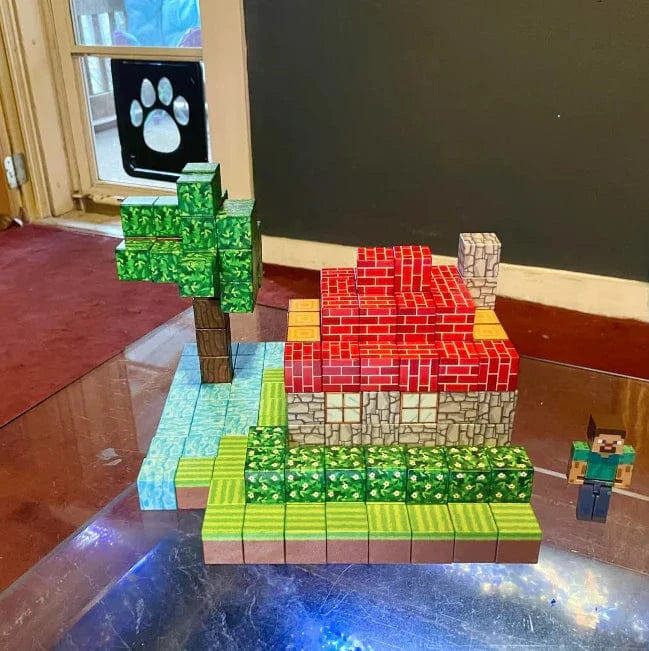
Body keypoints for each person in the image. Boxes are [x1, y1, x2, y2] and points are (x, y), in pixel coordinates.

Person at [567, 412, 635, 522]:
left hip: (606, 483)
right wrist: (576, 476)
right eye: (602, 441)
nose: (608, 445)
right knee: (586, 499)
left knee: (603, 501)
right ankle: (584, 514)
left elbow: (625, 467)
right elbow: (578, 462)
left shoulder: (619, 456)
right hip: (589, 481)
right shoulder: (586, 452)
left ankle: (599, 515)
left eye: (615, 442)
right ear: (592, 438)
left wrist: (621, 481)